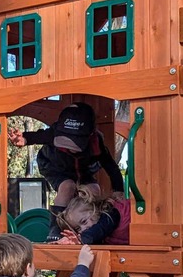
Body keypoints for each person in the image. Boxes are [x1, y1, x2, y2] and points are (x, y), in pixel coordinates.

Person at [7, 102, 124, 241]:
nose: (69, 148)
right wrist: (23, 139)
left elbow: (111, 166)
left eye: (74, 142)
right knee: (67, 186)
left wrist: (118, 189)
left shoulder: (96, 142)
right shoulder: (53, 133)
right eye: (64, 141)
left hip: (83, 170)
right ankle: (54, 230)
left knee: (94, 189)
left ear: (89, 136)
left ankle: (95, 229)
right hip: (54, 167)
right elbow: (38, 136)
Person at [54, 185, 131, 245]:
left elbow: (99, 229)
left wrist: (80, 239)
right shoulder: (98, 231)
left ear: (95, 210)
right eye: (78, 229)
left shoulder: (110, 214)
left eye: (84, 221)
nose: (83, 229)